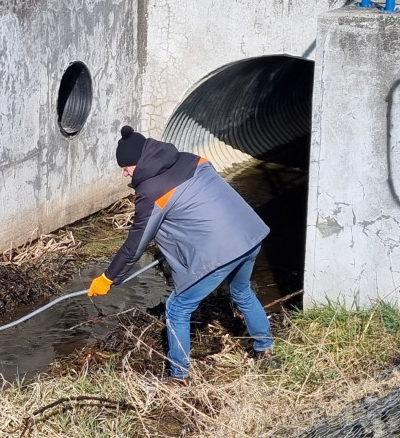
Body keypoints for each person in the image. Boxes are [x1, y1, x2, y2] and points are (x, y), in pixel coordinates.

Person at [88, 126, 273, 383]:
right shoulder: (190, 158)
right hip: (249, 234)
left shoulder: (152, 191)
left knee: (177, 308)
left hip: (221, 250)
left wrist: (108, 278)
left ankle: (179, 376)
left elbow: (135, 244)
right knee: (241, 291)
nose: (124, 172)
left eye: (126, 166)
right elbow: (203, 205)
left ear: (139, 163)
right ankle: (265, 349)